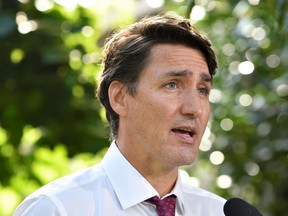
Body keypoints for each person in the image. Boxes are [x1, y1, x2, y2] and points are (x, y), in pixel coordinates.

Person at [13, 15, 226, 216]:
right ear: (120, 98)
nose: (195, 108)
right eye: (172, 85)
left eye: (202, 90)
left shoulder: (220, 212)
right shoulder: (56, 208)